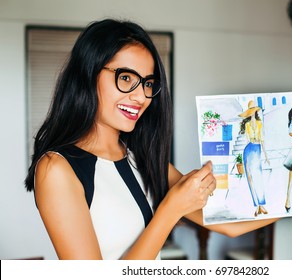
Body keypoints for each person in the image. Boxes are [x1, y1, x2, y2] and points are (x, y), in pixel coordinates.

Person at [24, 19, 277, 260]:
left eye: (147, 83)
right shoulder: (56, 168)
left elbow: (229, 224)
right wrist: (171, 208)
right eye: (125, 78)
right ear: (88, 74)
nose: (141, 97)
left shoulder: (140, 159)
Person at [239, 100, 270, 217]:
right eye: (250, 111)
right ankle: (257, 206)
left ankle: (261, 204)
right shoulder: (247, 125)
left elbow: (262, 140)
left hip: (257, 150)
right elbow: (248, 140)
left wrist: (266, 156)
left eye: (253, 111)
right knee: (250, 177)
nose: (252, 113)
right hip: (248, 149)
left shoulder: (259, 123)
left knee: (258, 177)